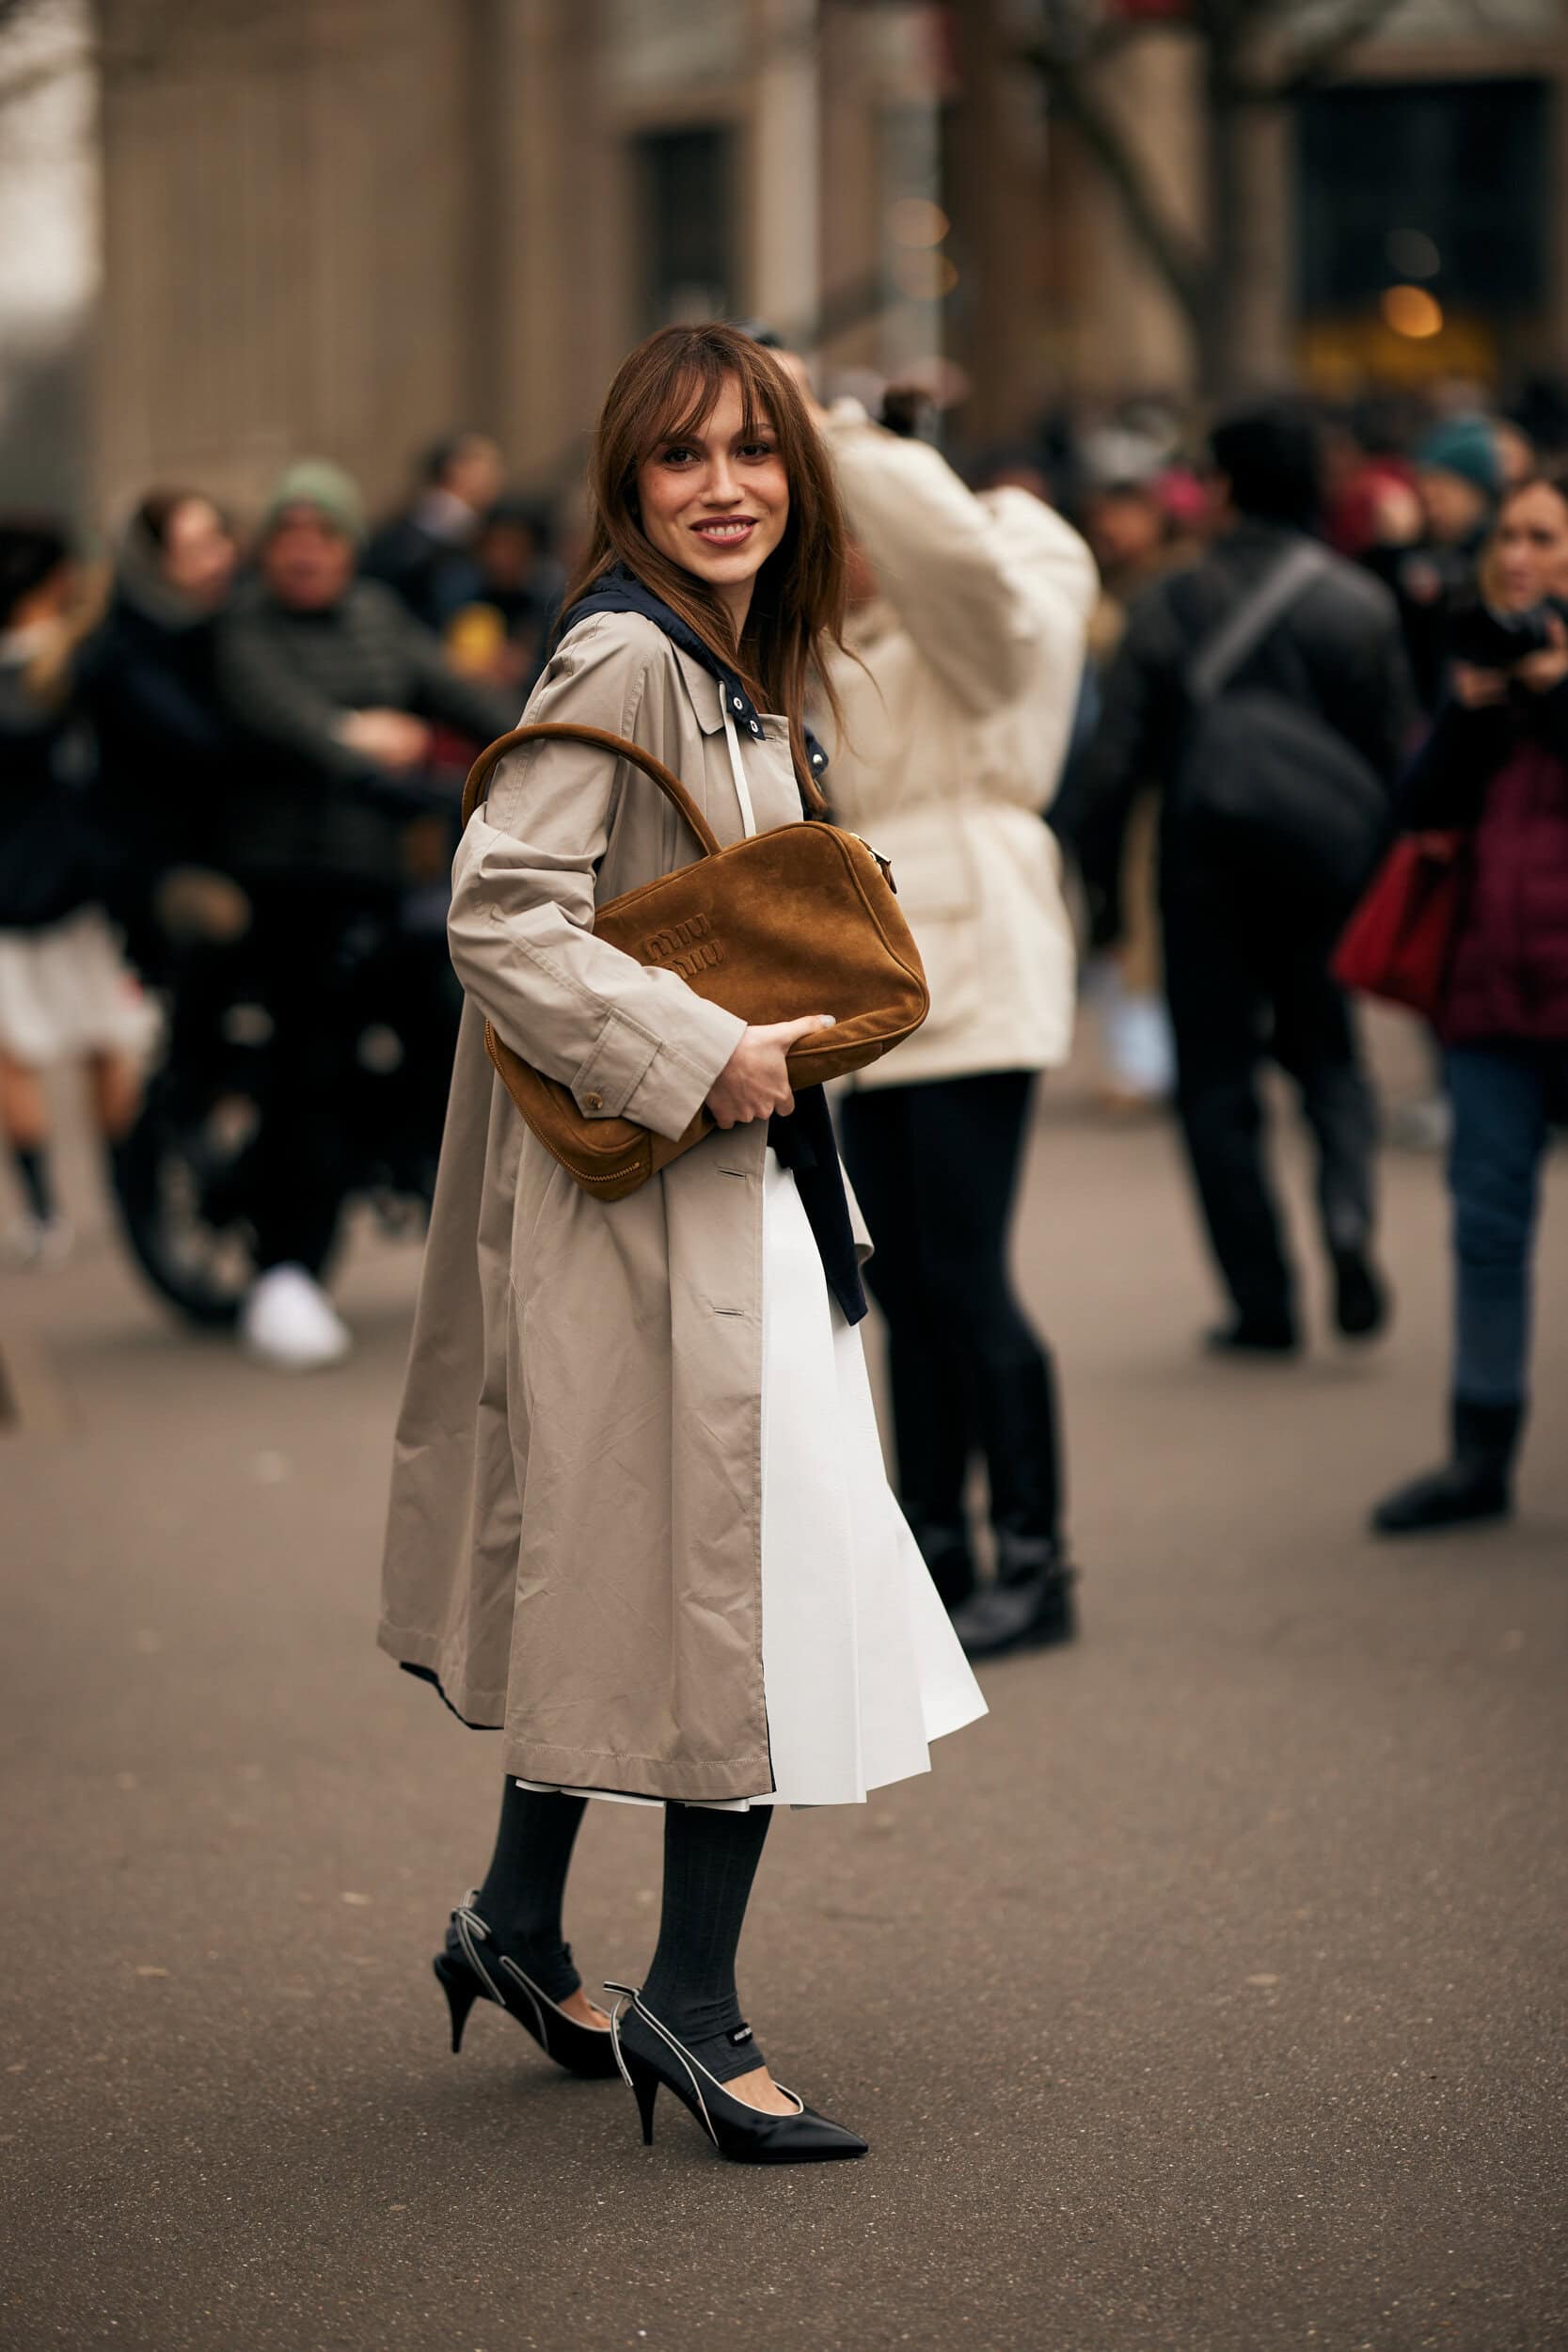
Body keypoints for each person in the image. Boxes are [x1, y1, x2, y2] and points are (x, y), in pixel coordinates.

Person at [379, 323, 984, 2164]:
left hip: (716, 1190)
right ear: (626, 485)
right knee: (750, 1589)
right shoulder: (625, 653)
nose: (722, 483)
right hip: (661, 1189)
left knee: (637, 1566)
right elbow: (496, 915)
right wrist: (694, 1049)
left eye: (755, 451)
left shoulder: (729, 656)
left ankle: (519, 1917)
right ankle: (690, 2009)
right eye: (680, 457)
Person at [798, 383, 1096, 1658]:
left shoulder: (1004, 584)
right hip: (873, 973)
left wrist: (842, 433)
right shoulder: (844, 635)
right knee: (901, 1279)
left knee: (964, 1275)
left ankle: (1034, 1559)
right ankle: (931, 1542)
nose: (842, 547)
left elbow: (949, 566)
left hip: (971, 962)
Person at [1063, 403, 1416, 1355]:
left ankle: (1260, 1299)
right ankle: (1344, 1216)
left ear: (1217, 488)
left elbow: (1114, 759)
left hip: (1202, 871)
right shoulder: (1356, 602)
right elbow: (1391, 751)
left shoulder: (1171, 600)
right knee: (1328, 1062)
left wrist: (1097, 895)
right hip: (1323, 874)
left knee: (1217, 1090)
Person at [217, 459, 515, 1368]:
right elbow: (286, 718)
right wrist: (362, 740)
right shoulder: (244, 631)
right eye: (289, 533)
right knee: (310, 1065)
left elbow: (462, 698)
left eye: (324, 533)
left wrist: (538, 739)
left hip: (388, 877)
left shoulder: (381, 620)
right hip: (287, 885)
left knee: (453, 1028)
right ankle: (285, 1270)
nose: (306, 550)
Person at [1371, 468, 1568, 1534]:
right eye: (1509, 537)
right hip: (1491, 994)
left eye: (1541, 536)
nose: (1519, 557)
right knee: (1486, 1228)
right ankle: (1476, 1454)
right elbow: (1412, 808)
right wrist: (1472, 711)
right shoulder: (1482, 669)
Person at [0, 520, 150, 1264]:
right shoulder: (81, 662)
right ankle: (133, 1204)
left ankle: (45, 1212)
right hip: (82, 883)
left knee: (17, 1053)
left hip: (16, 885)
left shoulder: (58, 664)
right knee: (107, 1044)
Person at [76, 489, 242, 970]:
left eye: (219, 539)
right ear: (153, 566)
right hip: (155, 862)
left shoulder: (226, 622)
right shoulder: (126, 653)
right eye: (196, 550)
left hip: (232, 844)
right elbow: (208, 746)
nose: (221, 559)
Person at [362, 431, 504, 631]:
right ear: (455, 470)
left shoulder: (470, 527)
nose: (495, 477)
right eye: (486, 466)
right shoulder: (434, 529)